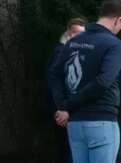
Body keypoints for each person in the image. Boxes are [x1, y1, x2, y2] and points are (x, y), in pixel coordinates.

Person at [50, 0, 121, 163]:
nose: (120, 29)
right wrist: (67, 105)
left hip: (75, 125)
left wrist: (62, 105)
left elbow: (54, 74)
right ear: (118, 20)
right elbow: (103, 82)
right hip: (102, 121)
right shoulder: (113, 44)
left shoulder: (73, 42)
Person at [46, 18, 87, 163]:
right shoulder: (62, 53)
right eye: (76, 33)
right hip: (64, 112)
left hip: (64, 110)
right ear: (69, 34)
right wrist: (62, 109)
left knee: (68, 152)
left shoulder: (63, 52)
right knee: (68, 153)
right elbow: (56, 82)